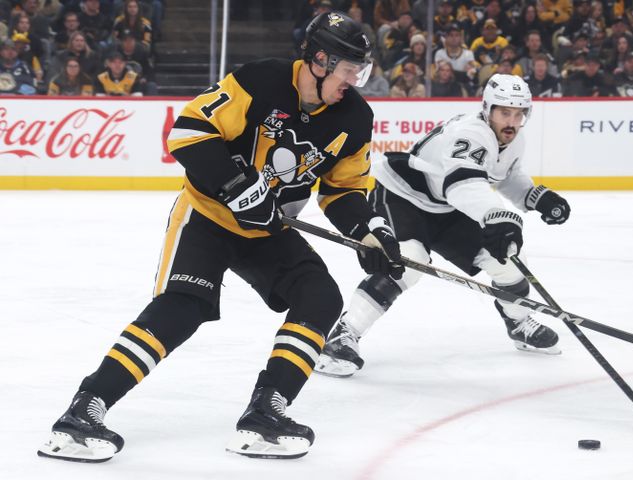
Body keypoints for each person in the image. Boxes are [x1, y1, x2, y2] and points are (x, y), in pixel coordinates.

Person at [37, 11, 403, 463]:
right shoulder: (260, 80)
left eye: (359, 70)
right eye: (349, 69)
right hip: (208, 215)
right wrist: (237, 186)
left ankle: (266, 413)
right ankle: (82, 414)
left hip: (268, 228)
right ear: (320, 60)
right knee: (182, 308)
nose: (355, 80)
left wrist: (369, 231)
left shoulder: (354, 117)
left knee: (320, 295)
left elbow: (343, 190)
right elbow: (189, 133)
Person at [315, 74, 570, 378]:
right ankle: (344, 334)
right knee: (408, 261)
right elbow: (462, 185)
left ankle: (518, 322)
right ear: (487, 109)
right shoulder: (471, 134)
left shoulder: (513, 139)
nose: (512, 122)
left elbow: (505, 175)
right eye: (505, 112)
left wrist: (535, 197)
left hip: (446, 206)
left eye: (519, 114)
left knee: (510, 262)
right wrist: (498, 217)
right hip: (402, 195)